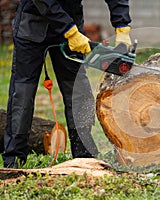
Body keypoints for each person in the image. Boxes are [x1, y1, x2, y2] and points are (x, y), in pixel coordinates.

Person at [2, 0, 132, 168]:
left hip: (72, 18)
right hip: (33, 23)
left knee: (77, 88)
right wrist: (70, 32)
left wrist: (122, 26)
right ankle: (14, 158)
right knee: (22, 92)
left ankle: (84, 153)